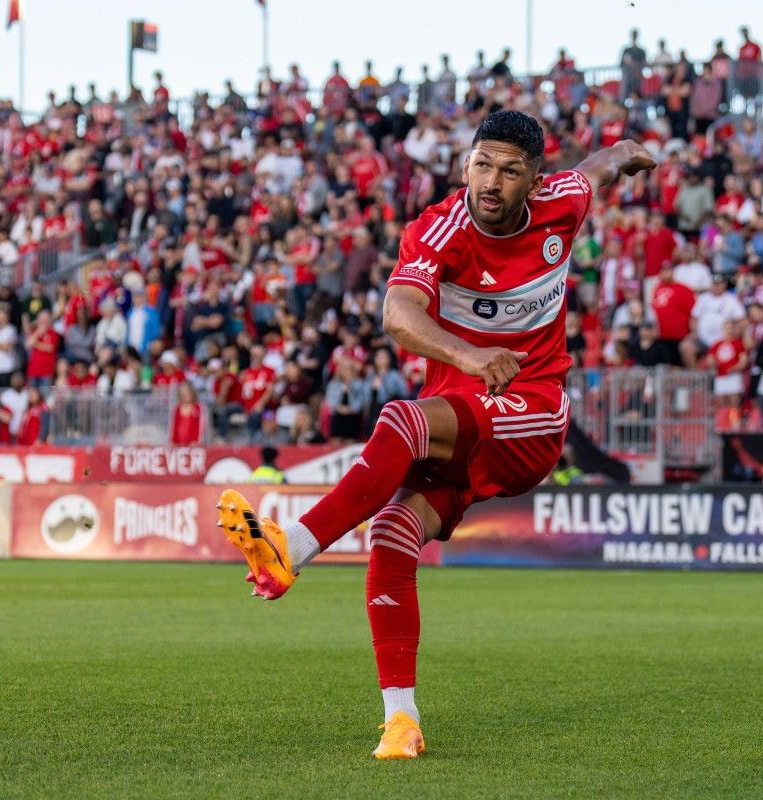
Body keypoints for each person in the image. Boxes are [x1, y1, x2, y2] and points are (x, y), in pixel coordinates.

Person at [213, 111, 656, 759]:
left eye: (510, 171)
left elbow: (600, 167)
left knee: (403, 419)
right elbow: (397, 312)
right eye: (482, 165)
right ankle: (401, 721)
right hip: (463, 413)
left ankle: (292, 549)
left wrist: (632, 149)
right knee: (392, 532)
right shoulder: (439, 229)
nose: (492, 182)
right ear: (464, 165)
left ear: (535, 179)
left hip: (532, 416)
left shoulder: (563, 203)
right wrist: (472, 359)